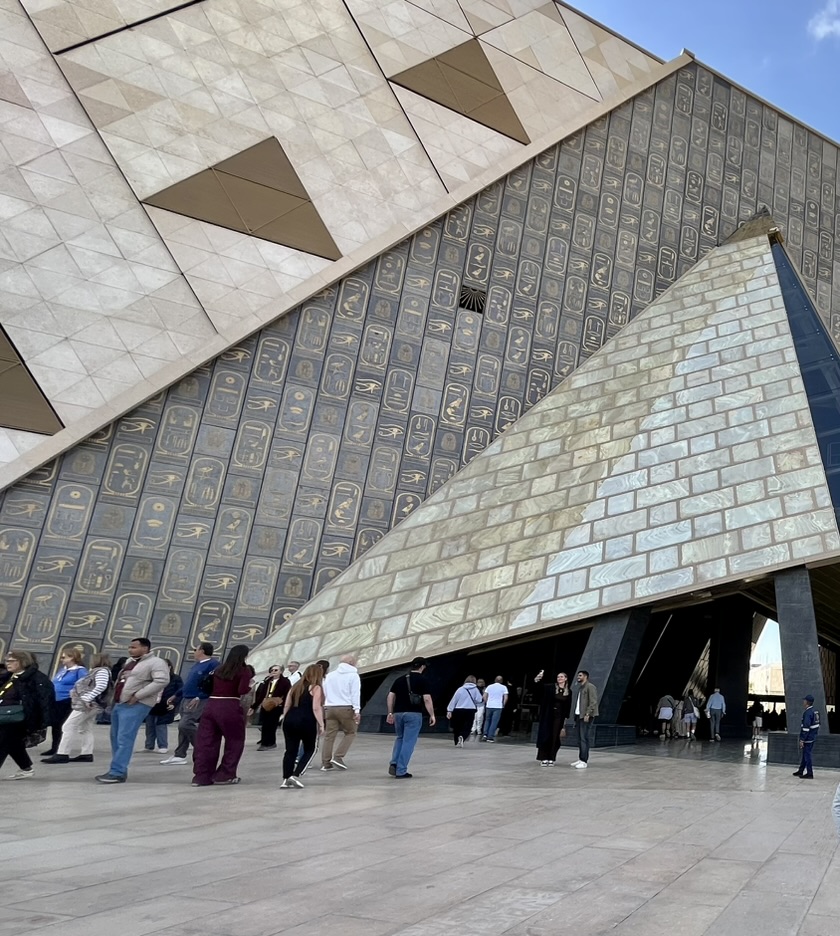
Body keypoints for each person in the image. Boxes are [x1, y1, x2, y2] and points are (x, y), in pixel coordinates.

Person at [95, 638, 169, 784]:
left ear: (145, 648)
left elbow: (161, 681)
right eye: (130, 647)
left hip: (136, 704)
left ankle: (117, 772)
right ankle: (117, 769)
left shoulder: (156, 662)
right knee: (115, 737)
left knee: (124, 738)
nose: (130, 649)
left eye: (134, 647)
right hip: (120, 703)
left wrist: (138, 696)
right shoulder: (130, 662)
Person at [192, 644, 254, 786]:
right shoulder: (243, 671)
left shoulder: (218, 669)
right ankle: (224, 775)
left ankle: (201, 776)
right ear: (244, 656)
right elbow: (242, 689)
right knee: (234, 741)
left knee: (206, 742)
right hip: (230, 706)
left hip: (211, 705)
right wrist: (250, 684)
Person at [43, 654, 111, 764]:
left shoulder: (101, 671)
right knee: (85, 728)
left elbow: (101, 686)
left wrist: (87, 698)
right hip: (92, 703)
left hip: (87, 704)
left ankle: (62, 753)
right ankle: (86, 753)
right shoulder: (99, 671)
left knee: (68, 726)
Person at [161, 643, 217, 766]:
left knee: (185, 724)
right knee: (183, 728)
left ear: (201, 650)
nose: (194, 652)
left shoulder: (213, 665)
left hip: (198, 699)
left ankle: (202, 748)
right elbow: (189, 683)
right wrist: (177, 695)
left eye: (195, 649)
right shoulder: (197, 665)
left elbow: (211, 684)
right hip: (186, 698)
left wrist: (200, 696)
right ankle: (179, 754)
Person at [0, 650, 53, 779]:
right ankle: (26, 768)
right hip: (5, 715)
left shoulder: (36, 678)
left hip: (20, 717)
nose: (8, 663)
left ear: (22, 662)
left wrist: (44, 720)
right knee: (13, 743)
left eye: (12, 661)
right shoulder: (9, 676)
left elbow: (44, 699)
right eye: (7, 660)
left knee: (3, 741)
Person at [386, 657, 435, 778]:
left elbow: (390, 697)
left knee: (400, 738)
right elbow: (427, 699)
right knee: (409, 741)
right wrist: (432, 714)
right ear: (422, 667)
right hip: (413, 714)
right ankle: (401, 770)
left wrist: (390, 712)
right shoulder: (423, 680)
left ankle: (394, 763)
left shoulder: (399, 680)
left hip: (398, 713)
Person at [280, 664, 325, 788]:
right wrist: (321, 724)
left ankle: (286, 777)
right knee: (310, 749)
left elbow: (287, 705)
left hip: (290, 719)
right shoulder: (315, 688)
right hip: (307, 721)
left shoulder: (295, 687)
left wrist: (285, 718)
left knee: (290, 750)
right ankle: (296, 774)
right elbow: (316, 707)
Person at [320, 654, 361, 771]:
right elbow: (355, 693)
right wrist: (357, 710)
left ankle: (325, 763)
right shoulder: (353, 675)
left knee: (329, 736)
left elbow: (325, 692)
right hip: (346, 707)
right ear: (352, 663)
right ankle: (338, 756)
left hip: (330, 707)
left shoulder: (330, 676)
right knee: (350, 732)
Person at [44, 648, 87, 757]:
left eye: (64, 657)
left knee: (63, 724)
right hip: (56, 700)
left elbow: (84, 684)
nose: (61, 659)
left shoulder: (79, 670)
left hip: (67, 700)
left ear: (72, 657)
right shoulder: (63, 670)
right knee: (55, 725)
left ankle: (61, 748)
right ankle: (54, 746)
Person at [533, 670, 572, 765]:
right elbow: (540, 687)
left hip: (559, 717)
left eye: (562, 677)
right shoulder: (551, 687)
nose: (559, 678)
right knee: (546, 735)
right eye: (558, 677)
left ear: (566, 679)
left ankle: (551, 757)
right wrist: (538, 678)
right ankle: (543, 757)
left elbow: (568, 706)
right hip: (548, 715)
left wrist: (565, 722)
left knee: (555, 737)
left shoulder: (569, 691)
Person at [143, 660, 182, 754]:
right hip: (152, 703)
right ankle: (149, 745)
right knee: (149, 724)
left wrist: (174, 703)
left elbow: (180, 692)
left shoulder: (176, 678)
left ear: (169, 667)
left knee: (161, 725)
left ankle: (163, 745)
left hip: (166, 704)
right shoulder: (154, 677)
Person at [249, 664, 291, 750]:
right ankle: (265, 741)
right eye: (272, 670)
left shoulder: (285, 682)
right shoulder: (268, 681)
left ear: (281, 671)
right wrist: (254, 706)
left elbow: (288, 695)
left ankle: (269, 743)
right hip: (266, 704)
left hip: (277, 705)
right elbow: (261, 695)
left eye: (276, 670)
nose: (273, 672)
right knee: (265, 724)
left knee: (271, 724)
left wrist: (284, 707)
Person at [571, 670, 598, 769]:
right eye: (578, 675)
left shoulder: (590, 687)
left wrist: (588, 713)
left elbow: (593, 701)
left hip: (586, 716)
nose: (578, 677)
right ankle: (580, 758)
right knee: (579, 738)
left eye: (580, 675)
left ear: (585, 676)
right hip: (579, 715)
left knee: (583, 738)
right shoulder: (581, 688)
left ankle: (584, 760)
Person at [446, 676, 482, 747]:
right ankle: (463, 736)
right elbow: (479, 700)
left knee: (457, 726)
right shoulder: (475, 689)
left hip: (459, 709)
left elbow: (454, 700)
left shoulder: (460, 689)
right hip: (470, 710)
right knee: (468, 726)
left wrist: (449, 710)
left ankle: (456, 742)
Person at [793, 694, 820, 780]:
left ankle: (809, 773)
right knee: (805, 754)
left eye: (804, 700)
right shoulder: (815, 712)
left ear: (807, 702)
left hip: (808, 737)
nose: (803, 702)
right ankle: (801, 770)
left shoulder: (808, 713)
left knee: (807, 755)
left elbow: (806, 727)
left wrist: (802, 739)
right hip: (812, 736)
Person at [482, 676, 508, 742]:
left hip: (489, 706)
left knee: (487, 720)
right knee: (494, 722)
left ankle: (485, 734)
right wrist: (503, 704)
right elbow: (505, 697)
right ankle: (490, 737)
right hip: (498, 706)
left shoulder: (489, 686)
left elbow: (484, 696)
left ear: (495, 680)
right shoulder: (504, 687)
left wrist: (487, 702)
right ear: (502, 681)